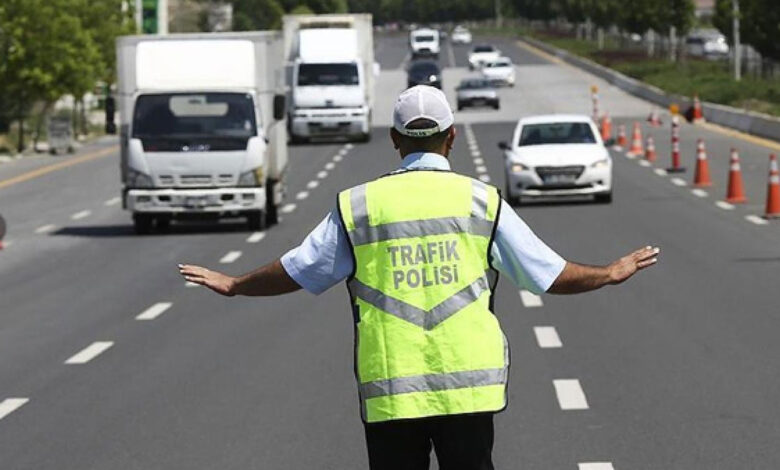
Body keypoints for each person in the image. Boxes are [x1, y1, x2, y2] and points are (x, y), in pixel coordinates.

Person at [179, 85, 660, 470]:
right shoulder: (481, 201)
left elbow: (299, 269)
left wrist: (236, 283)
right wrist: (609, 273)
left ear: (394, 140)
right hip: (469, 389)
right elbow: (548, 275)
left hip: (392, 389)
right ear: (451, 138)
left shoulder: (360, 206)